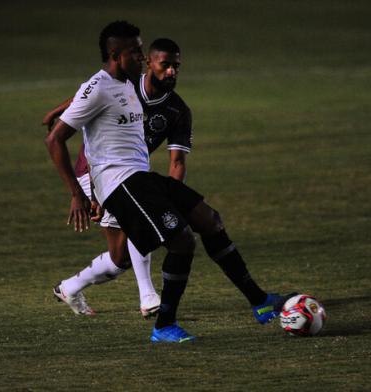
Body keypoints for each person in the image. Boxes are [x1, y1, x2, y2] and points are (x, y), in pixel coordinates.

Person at [45, 20, 294, 343]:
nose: (141, 57)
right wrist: (79, 194)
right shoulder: (101, 87)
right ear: (116, 54)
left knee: (209, 219)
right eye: (135, 51)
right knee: (181, 242)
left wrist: (60, 109)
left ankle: (260, 302)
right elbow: (55, 140)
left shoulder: (130, 84)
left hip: (141, 178)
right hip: (120, 184)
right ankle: (163, 324)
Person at [43, 38, 193, 318]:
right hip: (96, 170)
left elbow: (178, 161)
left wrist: (171, 196)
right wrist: (60, 110)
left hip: (131, 176)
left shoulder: (177, 111)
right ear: (150, 63)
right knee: (138, 222)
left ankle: (69, 287)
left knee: (119, 258)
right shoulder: (126, 82)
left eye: (176, 66)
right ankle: (148, 297)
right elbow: (91, 93)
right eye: (165, 65)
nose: (171, 71)